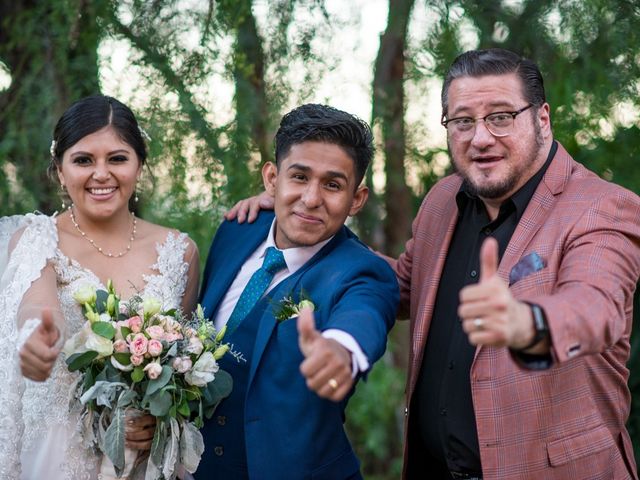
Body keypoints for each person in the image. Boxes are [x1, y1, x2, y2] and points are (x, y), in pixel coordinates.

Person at [227, 48, 640, 479]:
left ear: (541, 119)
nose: (480, 137)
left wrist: (526, 323)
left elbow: (597, 307)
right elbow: (402, 285)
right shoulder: (445, 200)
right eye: (463, 121)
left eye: (500, 116)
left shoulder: (601, 208)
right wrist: (302, 222)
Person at [0, 95, 200, 479]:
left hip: (146, 463)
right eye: (83, 160)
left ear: (139, 165)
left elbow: (182, 369)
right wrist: (37, 335)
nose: (101, 174)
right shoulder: (38, 240)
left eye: (118, 159)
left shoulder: (180, 251)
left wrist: (157, 417)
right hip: (62, 456)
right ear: (60, 170)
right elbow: (37, 306)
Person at [196, 103, 398, 479]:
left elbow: (364, 314)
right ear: (272, 179)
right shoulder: (236, 230)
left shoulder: (362, 273)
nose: (311, 198)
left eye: (333, 185)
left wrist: (341, 350)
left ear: (357, 198)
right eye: (300, 177)